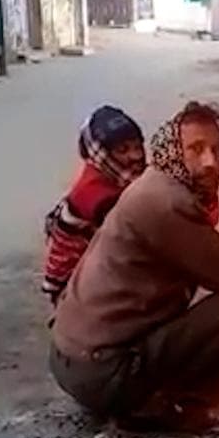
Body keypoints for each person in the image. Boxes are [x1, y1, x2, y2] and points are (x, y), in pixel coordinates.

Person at [50, 102, 219, 430]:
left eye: (217, 150)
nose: (210, 163)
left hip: (72, 358)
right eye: (196, 149)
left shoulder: (154, 183)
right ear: (173, 150)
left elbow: (203, 253)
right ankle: (180, 400)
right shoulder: (169, 203)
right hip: (102, 374)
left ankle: (145, 391)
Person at [41, 106, 146, 304]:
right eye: (122, 150)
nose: (135, 156)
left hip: (98, 267)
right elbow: (139, 228)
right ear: (100, 153)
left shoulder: (119, 178)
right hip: (74, 289)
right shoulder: (94, 192)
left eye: (137, 147)